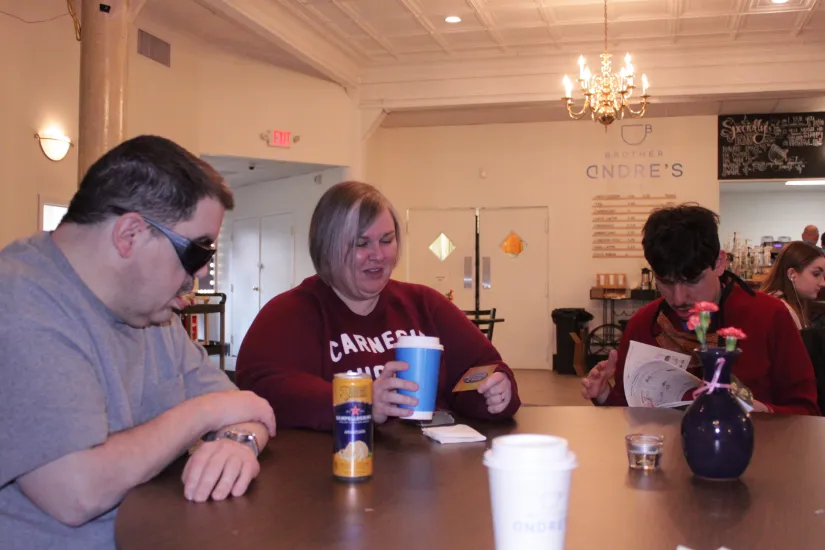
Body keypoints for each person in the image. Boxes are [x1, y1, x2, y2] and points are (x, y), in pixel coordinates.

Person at [0, 136, 277, 550]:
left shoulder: (150, 310)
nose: (198, 276)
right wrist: (206, 412)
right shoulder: (20, 305)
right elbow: (76, 493)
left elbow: (248, 411)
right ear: (130, 233)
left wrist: (240, 441)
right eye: (197, 252)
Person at [236, 181, 521, 430]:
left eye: (387, 240)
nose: (378, 255)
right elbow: (263, 387)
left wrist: (495, 393)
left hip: (426, 478)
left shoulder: (425, 305)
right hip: (332, 476)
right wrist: (361, 401)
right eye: (361, 244)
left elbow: (483, 367)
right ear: (327, 248)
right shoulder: (289, 314)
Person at [581, 204, 819, 415]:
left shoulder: (769, 315)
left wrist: (763, 412)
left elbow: (806, 411)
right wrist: (604, 394)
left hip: (756, 457)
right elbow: (631, 415)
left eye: (692, 280)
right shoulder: (643, 326)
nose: (679, 298)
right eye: (665, 281)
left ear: (719, 263)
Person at [760, 241, 825, 329]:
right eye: (816, 274)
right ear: (792, 274)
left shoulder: (788, 303)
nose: (823, 283)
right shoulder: (781, 311)